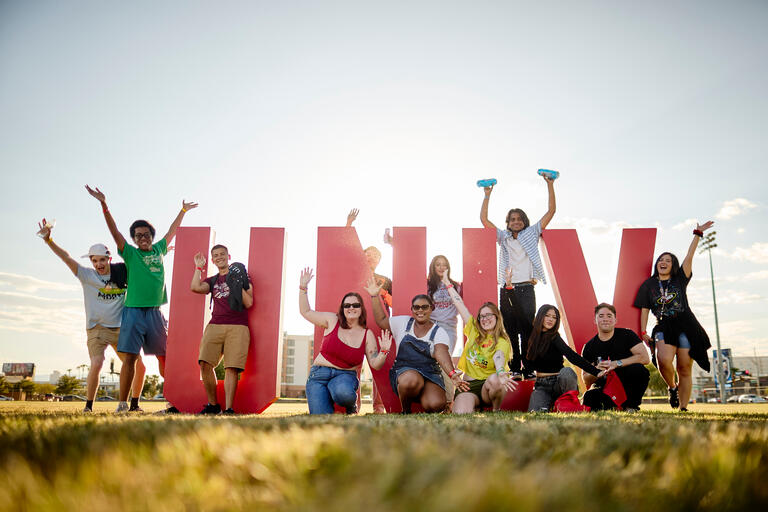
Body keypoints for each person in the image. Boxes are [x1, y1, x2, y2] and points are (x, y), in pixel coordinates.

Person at [86, 185, 197, 413]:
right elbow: (114, 231)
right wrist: (104, 204)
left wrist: (183, 211)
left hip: (155, 313)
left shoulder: (159, 249)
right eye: (138, 236)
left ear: (151, 237)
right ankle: (124, 404)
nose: (143, 238)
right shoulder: (130, 253)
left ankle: (172, 401)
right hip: (133, 312)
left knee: (165, 357)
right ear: (134, 239)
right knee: (130, 359)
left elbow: (171, 231)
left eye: (146, 234)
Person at [37, 219, 146, 412]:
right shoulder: (87, 275)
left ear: (109, 258)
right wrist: (49, 240)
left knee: (140, 367)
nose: (98, 264)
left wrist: (157, 255)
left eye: (102, 260)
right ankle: (88, 406)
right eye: (94, 260)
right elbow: (66, 257)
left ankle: (134, 405)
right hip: (97, 328)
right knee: (97, 362)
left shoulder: (123, 272)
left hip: (121, 327)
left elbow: (142, 265)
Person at [480, 174, 556, 378]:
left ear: (525, 222)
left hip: (526, 288)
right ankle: (514, 368)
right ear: (508, 222)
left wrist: (550, 184)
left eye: (519, 219)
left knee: (528, 329)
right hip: (507, 288)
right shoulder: (503, 238)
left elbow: (551, 211)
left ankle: (529, 368)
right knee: (510, 329)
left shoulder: (531, 233)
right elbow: (484, 220)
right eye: (512, 219)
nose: (516, 222)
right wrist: (487, 195)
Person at [634, 221, 714, 411]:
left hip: (687, 326)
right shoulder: (649, 285)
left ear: (674, 266)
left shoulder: (680, 279)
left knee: (685, 367)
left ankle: (684, 407)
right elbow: (644, 308)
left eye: (668, 260)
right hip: (663, 326)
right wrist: (644, 330)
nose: (663, 262)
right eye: (661, 260)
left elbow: (689, 256)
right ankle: (672, 387)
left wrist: (697, 234)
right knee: (663, 360)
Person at [365, 277, 468, 413]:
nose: (420, 310)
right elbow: (382, 320)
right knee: (411, 380)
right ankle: (406, 410)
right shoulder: (403, 323)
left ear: (431, 308)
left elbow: (441, 352)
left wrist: (452, 373)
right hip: (405, 372)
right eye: (416, 307)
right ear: (412, 310)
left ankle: (426, 395)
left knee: (435, 405)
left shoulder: (439, 332)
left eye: (425, 307)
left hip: (430, 373)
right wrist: (374, 296)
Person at [299, 268, 392, 414]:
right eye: (347, 305)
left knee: (344, 394)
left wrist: (384, 351)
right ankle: (326, 396)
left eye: (355, 305)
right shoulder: (332, 320)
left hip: (345, 376)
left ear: (361, 309)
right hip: (319, 375)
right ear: (342, 309)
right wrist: (303, 288)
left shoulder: (366, 334)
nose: (351, 308)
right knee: (321, 417)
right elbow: (306, 312)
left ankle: (350, 405)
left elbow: (376, 364)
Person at [439, 272, 517, 413]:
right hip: (468, 385)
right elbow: (459, 304)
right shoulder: (473, 331)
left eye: (489, 315)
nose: (485, 319)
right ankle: (475, 406)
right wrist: (447, 284)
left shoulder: (502, 341)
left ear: (497, 317)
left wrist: (500, 371)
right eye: (481, 316)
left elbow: (498, 356)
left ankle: (495, 410)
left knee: (496, 380)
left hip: (489, 387)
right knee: (461, 414)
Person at [190, 245, 253, 414]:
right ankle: (213, 405)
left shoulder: (243, 277)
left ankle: (229, 409)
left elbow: (249, 303)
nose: (219, 257)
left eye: (222, 254)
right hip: (215, 324)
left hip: (238, 326)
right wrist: (198, 267)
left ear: (228, 256)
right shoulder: (213, 280)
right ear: (212, 260)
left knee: (231, 367)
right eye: (215, 255)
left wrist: (236, 283)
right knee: (204, 363)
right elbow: (195, 287)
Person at [346, 207, 391, 413]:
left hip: (379, 327)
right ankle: (353, 403)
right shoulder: (353, 275)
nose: (370, 256)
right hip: (357, 326)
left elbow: (394, 303)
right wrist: (348, 225)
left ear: (379, 259)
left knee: (379, 367)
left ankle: (379, 405)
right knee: (354, 365)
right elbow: (344, 253)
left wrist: (382, 295)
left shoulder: (386, 280)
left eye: (374, 254)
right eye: (367, 253)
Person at [526, 305, 603, 412]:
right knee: (535, 412)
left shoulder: (554, 337)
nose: (550, 319)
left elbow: (571, 355)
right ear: (540, 316)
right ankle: (554, 406)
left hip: (560, 383)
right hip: (542, 386)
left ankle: (568, 403)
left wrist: (596, 371)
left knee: (567, 371)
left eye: (554, 317)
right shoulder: (531, 337)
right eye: (547, 315)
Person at [581, 303, 651, 411]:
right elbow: (586, 379)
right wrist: (597, 371)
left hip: (625, 382)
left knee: (639, 370)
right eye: (601, 316)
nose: (605, 319)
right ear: (595, 320)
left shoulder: (627, 335)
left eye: (609, 316)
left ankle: (631, 406)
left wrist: (616, 363)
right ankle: (613, 405)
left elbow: (645, 358)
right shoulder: (589, 346)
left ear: (615, 320)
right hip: (604, 384)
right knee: (589, 398)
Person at [427, 255, 462, 402]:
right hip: (432, 326)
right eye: (438, 265)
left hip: (449, 327)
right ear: (433, 268)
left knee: (445, 361)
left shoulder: (456, 285)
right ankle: (438, 398)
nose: (441, 267)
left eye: (444, 265)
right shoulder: (428, 285)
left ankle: (449, 401)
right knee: (432, 363)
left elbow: (461, 306)